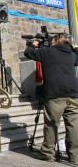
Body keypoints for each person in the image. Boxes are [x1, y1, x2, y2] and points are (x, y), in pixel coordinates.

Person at [24, 33, 78, 164]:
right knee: (73, 126)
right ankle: (75, 157)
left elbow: (28, 53)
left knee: (51, 124)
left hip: (54, 94)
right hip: (73, 94)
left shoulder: (48, 52)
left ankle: (48, 153)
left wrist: (33, 44)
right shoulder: (71, 54)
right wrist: (74, 47)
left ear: (55, 41)